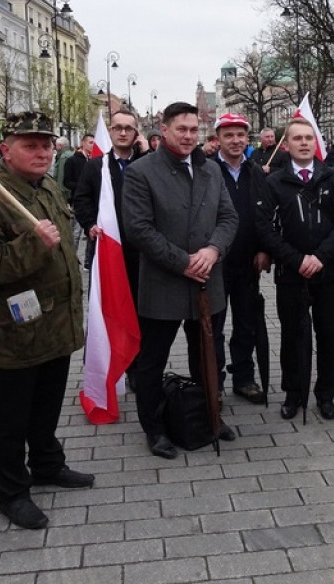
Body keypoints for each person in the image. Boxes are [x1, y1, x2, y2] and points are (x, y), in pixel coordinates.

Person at [0, 112, 94, 531]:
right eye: (30, 145)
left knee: (47, 405)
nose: (41, 152)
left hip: (54, 324)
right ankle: (12, 491)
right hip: (16, 332)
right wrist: (33, 244)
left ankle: (48, 463)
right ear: (6, 149)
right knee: (11, 417)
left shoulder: (48, 186)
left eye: (46, 145)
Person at [122, 102, 240, 459]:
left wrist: (213, 251)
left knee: (206, 354)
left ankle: (209, 415)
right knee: (152, 360)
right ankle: (154, 428)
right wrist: (183, 262)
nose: (189, 136)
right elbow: (139, 229)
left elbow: (228, 217)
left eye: (194, 130)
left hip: (208, 282)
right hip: (163, 284)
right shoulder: (141, 172)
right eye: (182, 129)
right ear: (164, 128)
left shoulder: (211, 171)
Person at [257, 117, 334, 422]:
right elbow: (265, 228)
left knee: (327, 335)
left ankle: (325, 395)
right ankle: (293, 393)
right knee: (292, 336)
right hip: (291, 273)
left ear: (316, 143)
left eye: (308, 138)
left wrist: (321, 257)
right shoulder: (274, 181)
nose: (303, 143)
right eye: (297, 138)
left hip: (327, 273)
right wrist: (296, 259)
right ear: (285, 145)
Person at [72, 110, 145, 383]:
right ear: (111, 132)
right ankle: (108, 365)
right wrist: (89, 223)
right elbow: (82, 200)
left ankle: (138, 368)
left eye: (128, 128)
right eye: (118, 128)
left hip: (141, 253)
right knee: (107, 308)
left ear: (136, 133)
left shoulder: (146, 163)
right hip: (108, 251)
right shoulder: (95, 166)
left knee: (140, 310)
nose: (123, 132)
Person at [210, 113, 271, 404]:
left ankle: (244, 378)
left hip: (249, 262)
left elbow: (264, 215)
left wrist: (264, 249)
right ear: (218, 139)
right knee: (215, 327)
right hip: (216, 263)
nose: (235, 141)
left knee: (246, 322)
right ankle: (215, 382)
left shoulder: (256, 171)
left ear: (248, 139)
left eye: (240, 135)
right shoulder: (207, 170)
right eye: (229, 135)